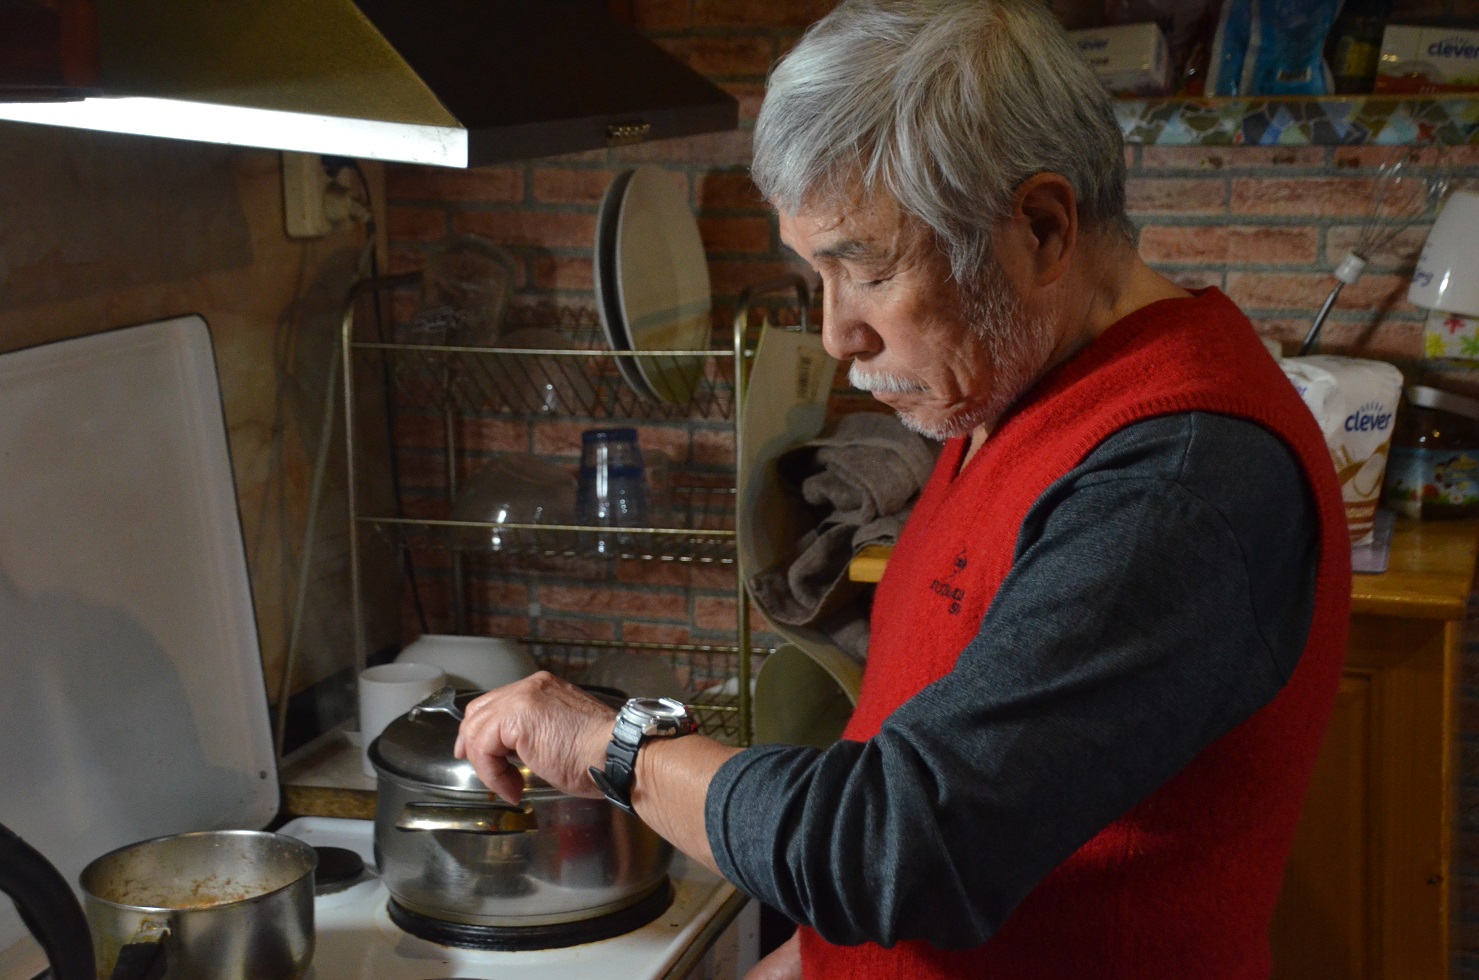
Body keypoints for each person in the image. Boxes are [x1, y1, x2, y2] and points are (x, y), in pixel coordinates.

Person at [453, 1, 1352, 976]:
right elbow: (922, 757)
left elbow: (906, 846)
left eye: (867, 270)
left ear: (1042, 228)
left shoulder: (1174, 483)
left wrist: (612, 745)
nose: (837, 334)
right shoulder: (1010, 390)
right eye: (816, 275)